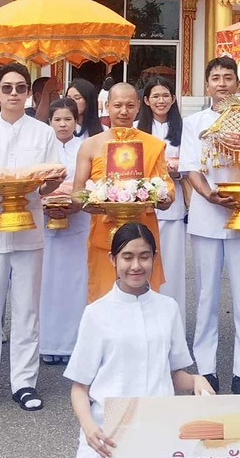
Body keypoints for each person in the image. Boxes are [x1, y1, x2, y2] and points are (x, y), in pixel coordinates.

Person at [57, 223, 214, 458]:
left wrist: (196, 381)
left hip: (158, 429)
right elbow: (79, 388)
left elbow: (176, 374)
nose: (136, 265)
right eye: (127, 257)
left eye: (144, 256)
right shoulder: (97, 314)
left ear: (155, 258)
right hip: (108, 434)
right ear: (112, 260)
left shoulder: (168, 309)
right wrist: (90, 429)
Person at [0, 62, 61, 416]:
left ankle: (24, 382)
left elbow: (53, 179)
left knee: (26, 310)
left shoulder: (43, 133)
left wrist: (44, 184)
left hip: (29, 228)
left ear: (29, 93)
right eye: (7, 88)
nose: (14, 94)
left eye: (20, 88)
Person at [182, 55, 240, 394]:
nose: (223, 83)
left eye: (229, 77)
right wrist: (210, 196)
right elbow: (190, 168)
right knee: (207, 296)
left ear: (238, 83)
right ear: (207, 83)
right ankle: (207, 371)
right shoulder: (194, 122)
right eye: (217, 78)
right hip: (207, 215)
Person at [73, 82, 173, 301]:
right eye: (117, 105)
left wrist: (159, 195)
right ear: (106, 106)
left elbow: (168, 192)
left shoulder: (153, 145)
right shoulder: (90, 145)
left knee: (145, 297)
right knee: (104, 297)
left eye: (130, 105)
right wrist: (96, 200)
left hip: (143, 232)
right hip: (104, 234)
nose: (124, 111)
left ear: (139, 106)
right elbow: (77, 193)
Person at [42, 99, 90, 364]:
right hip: (46, 219)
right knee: (47, 282)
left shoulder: (85, 147)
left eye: (68, 119)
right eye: (57, 119)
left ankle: (73, 343)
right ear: (50, 122)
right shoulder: (41, 147)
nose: (62, 124)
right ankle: (47, 342)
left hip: (78, 220)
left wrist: (74, 203)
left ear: (76, 121)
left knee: (75, 282)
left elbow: (91, 180)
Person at [135, 78, 188, 319]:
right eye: (155, 96)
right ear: (146, 101)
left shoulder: (184, 129)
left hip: (172, 206)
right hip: (143, 205)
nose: (161, 100)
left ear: (173, 99)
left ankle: (171, 321)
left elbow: (192, 163)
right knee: (142, 263)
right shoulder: (136, 130)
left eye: (165, 95)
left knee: (172, 268)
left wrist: (178, 169)